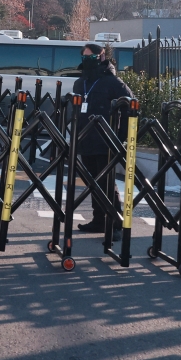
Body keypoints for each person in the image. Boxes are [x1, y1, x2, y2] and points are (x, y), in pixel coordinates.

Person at [72, 44, 133, 241]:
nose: (87, 60)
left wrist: (120, 136)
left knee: (106, 183)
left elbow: (130, 106)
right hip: (85, 139)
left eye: (91, 56)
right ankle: (98, 220)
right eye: (85, 56)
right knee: (92, 182)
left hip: (105, 141)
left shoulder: (113, 82)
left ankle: (116, 222)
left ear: (101, 56)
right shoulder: (80, 83)